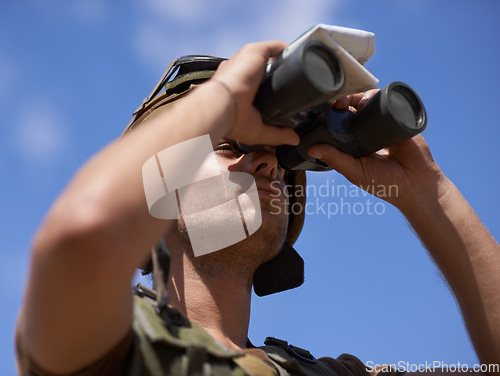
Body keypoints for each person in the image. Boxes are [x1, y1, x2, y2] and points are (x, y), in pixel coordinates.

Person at [15, 40, 500, 376]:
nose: (267, 166)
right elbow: (78, 241)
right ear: (157, 187)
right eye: (230, 148)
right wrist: (223, 97)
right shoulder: (110, 344)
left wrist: (426, 191)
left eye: (283, 163)